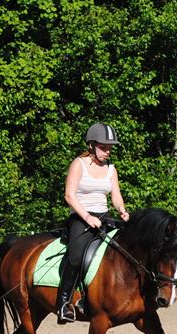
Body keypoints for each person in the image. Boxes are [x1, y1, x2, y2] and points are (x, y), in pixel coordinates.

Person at [56, 122, 130, 323]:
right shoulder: (78, 165)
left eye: (110, 148)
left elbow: (116, 196)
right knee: (76, 256)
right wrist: (87, 217)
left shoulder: (110, 168)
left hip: (104, 216)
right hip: (81, 217)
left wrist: (122, 211)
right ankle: (64, 303)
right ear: (91, 145)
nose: (108, 152)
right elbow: (69, 196)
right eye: (104, 147)